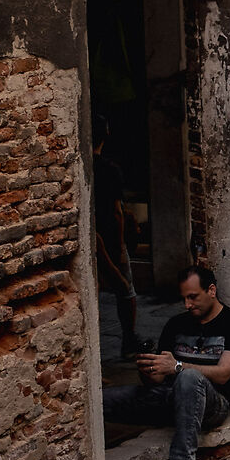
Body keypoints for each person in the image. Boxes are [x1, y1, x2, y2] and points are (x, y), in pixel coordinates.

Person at [101, 262, 230, 460]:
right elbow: (160, 378)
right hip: (169, 398)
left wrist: (177, 367)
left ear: (211, 290)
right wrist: (150, 371)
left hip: (212, 404)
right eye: (184, 298)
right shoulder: (176, 324)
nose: (187, 304)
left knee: (189, 378)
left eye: (193, 297)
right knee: (102, 401)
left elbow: (223, 375)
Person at [92, 114, 140, 359]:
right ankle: (129, 339)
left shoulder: (85, 166)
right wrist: (121, 245)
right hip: (108, 236)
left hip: (95, 235)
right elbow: (116, 211)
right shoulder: (109, 170)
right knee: (125, 289)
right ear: (106, 134)